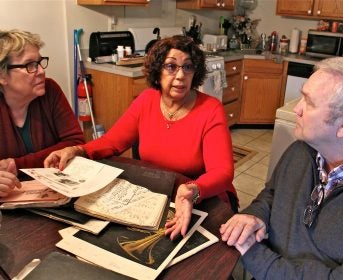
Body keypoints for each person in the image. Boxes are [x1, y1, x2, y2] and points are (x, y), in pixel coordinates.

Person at [44, 35, 238, 239]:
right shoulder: (147, 100)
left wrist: (193, 190)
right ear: (158, 70)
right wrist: (78, 150)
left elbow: (223, 171)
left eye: (188, 67)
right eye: (171, 66)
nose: (181, 75)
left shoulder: (210, 109)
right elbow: (113, 141)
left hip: (203, 198)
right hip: (159, 193)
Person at [220, 56, 343, 279]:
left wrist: (253, 253)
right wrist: (256, 216)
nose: (297, 109)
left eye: (309, 102)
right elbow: (272, 195)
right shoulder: (300, 151)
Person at [0, 29, 84, 197]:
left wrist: (18, 165)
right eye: (30, 65)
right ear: (2, 75)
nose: (41, 71)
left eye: (39, 62)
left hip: (56, 193)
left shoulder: (50, 90)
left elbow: (75, 142)